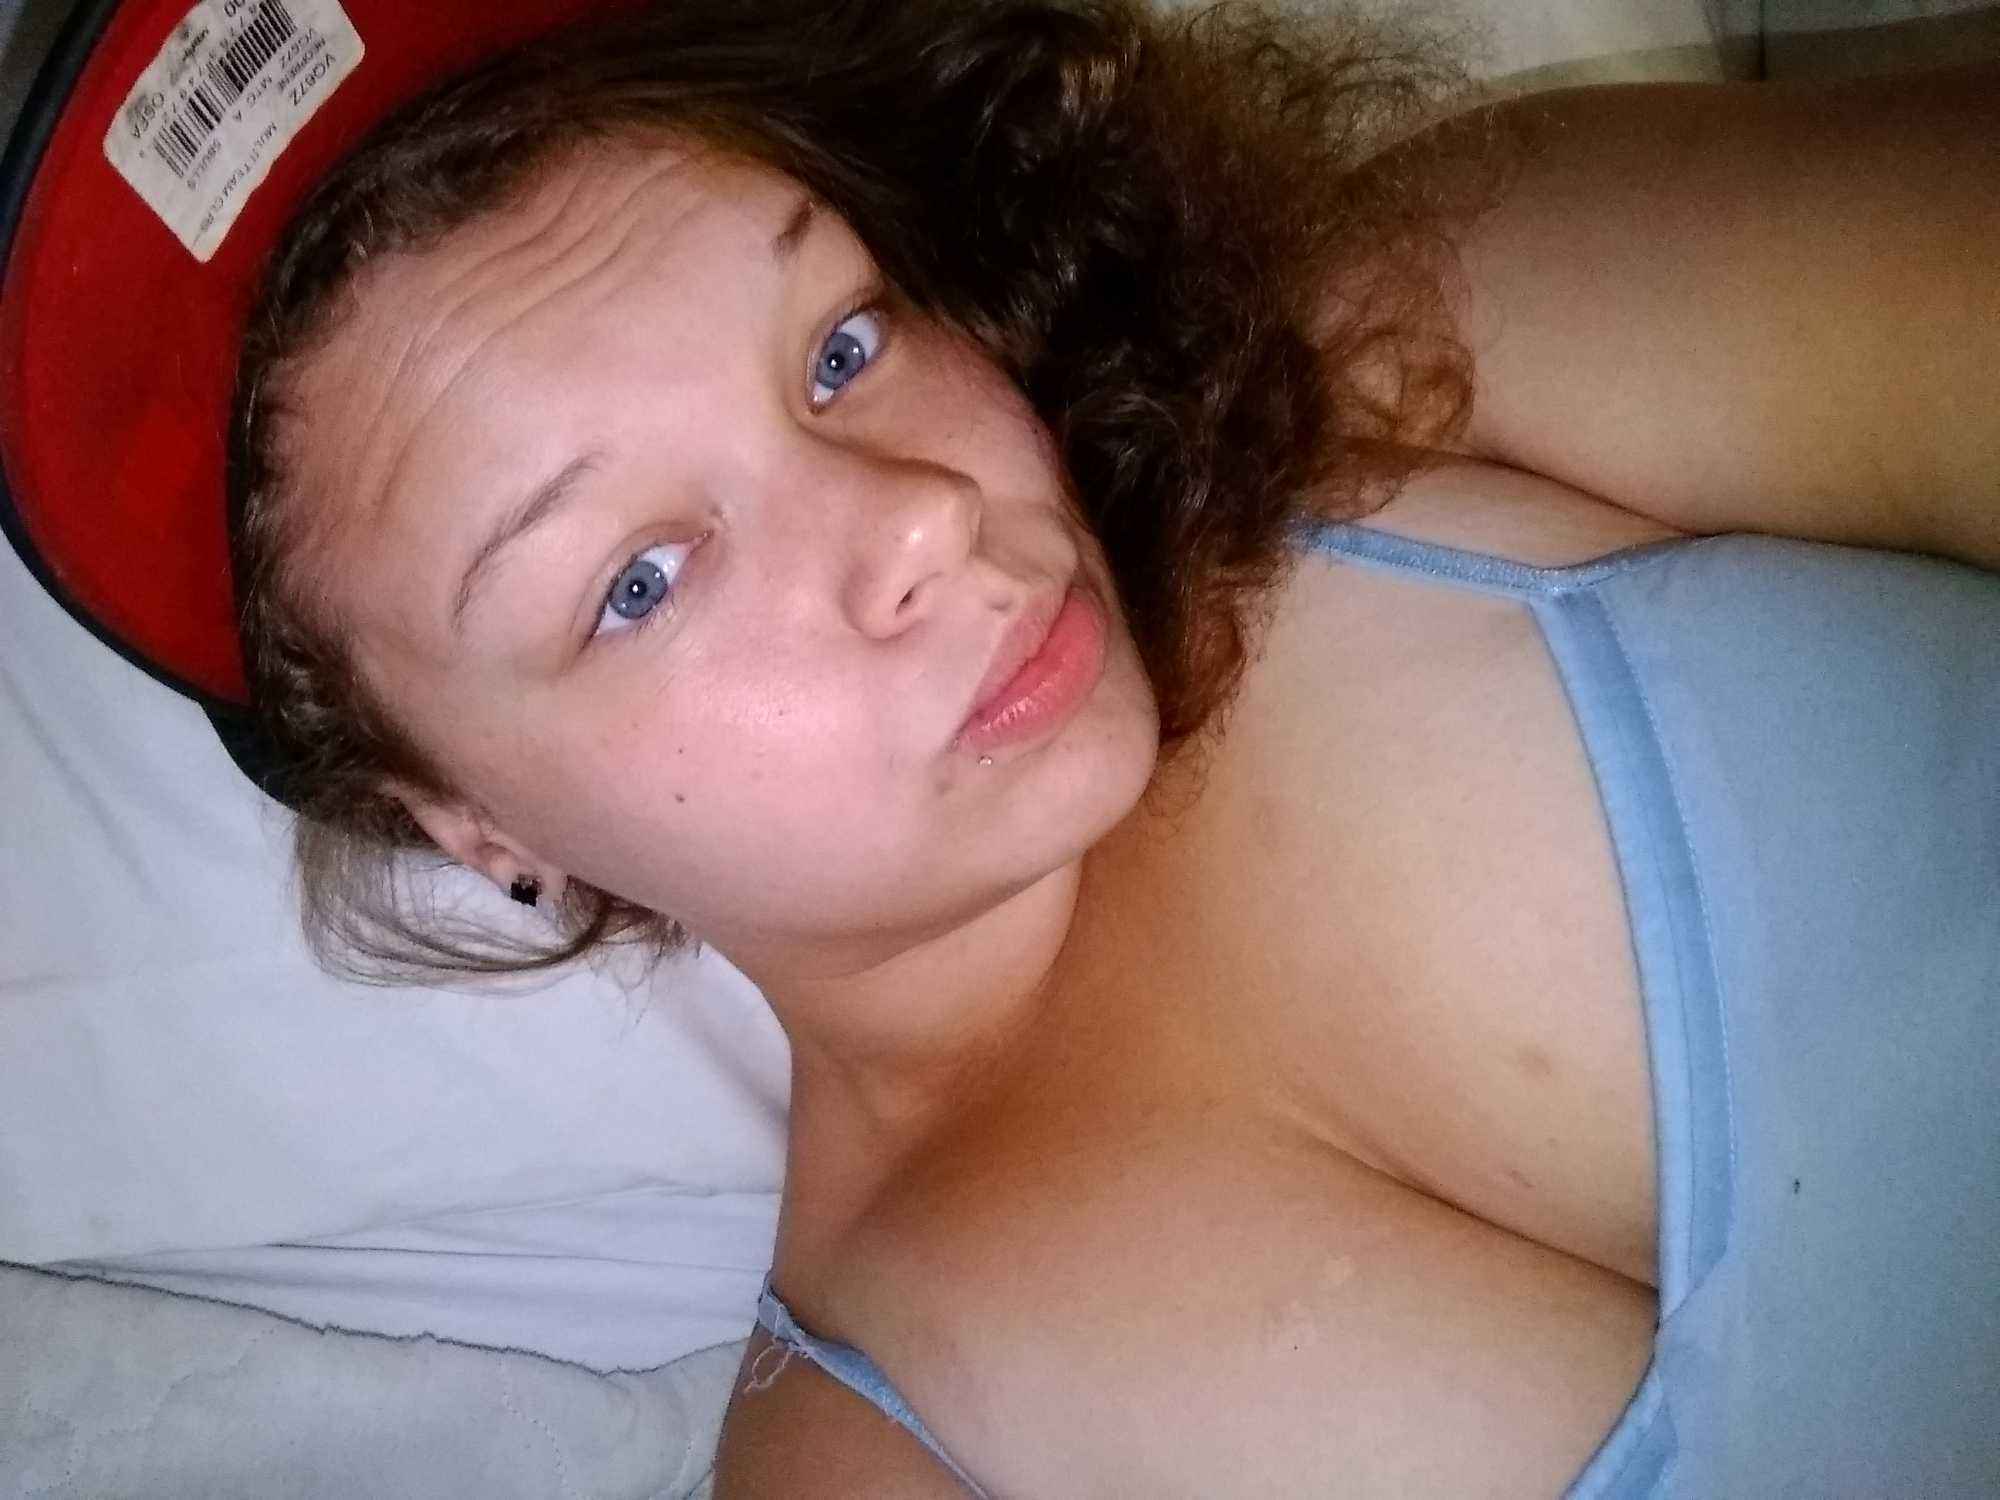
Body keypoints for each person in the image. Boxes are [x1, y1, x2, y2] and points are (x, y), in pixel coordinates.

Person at [19, 0, 1998, 1494]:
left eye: (841, 344)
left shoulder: (1409, 342)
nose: (914, 521)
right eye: (639, 579)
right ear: (474, 828)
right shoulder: (878, 1459)